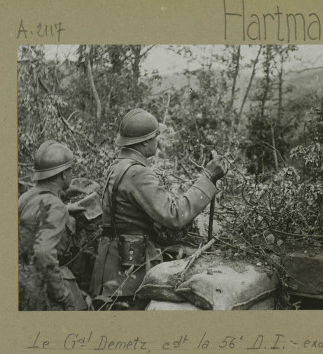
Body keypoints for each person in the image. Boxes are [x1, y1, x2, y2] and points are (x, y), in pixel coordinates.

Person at [90, 108, 229, 309]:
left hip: (111, 263)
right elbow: (175, 215)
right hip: (128, 273)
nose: (158, 140)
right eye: (156, 136)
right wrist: (207, 178)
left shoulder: (118, 166)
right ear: (145, 142)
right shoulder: (138, 173)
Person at [19, 140, 87, 311]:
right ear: (64, 175)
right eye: (71, 170)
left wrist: (63, 202)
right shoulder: (54, 205)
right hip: (42, 291)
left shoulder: (26, 197)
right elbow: (43, 252)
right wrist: (62, 294)